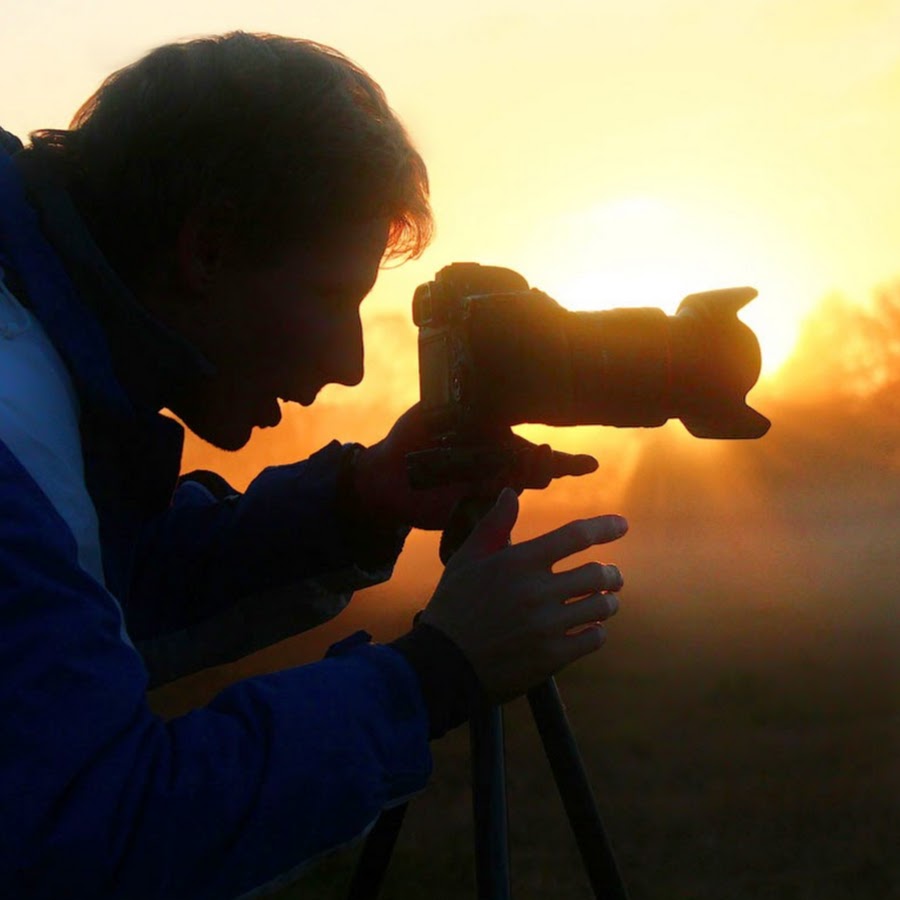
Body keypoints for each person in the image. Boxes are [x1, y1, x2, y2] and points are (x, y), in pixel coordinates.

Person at [0, 32, 628, 899]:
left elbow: (83, 595)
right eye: (335, 296)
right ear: (208, 248)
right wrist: (433, 677)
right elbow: (91, 841)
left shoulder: (31, 359)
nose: (350, 364)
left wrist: (354, 505)